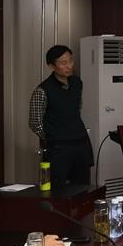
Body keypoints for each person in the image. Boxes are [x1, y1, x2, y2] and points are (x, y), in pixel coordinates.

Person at [29, 44, 93, 186]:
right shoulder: (42, 90)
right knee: (56, 187)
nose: (69, 66)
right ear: (52, 66)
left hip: (81, 142)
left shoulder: (77, 82)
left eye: (70, 61)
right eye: (63, 63)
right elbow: (35, 123)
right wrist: (53, 136)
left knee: (82, 186)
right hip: (58, 148)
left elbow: (77, 109)